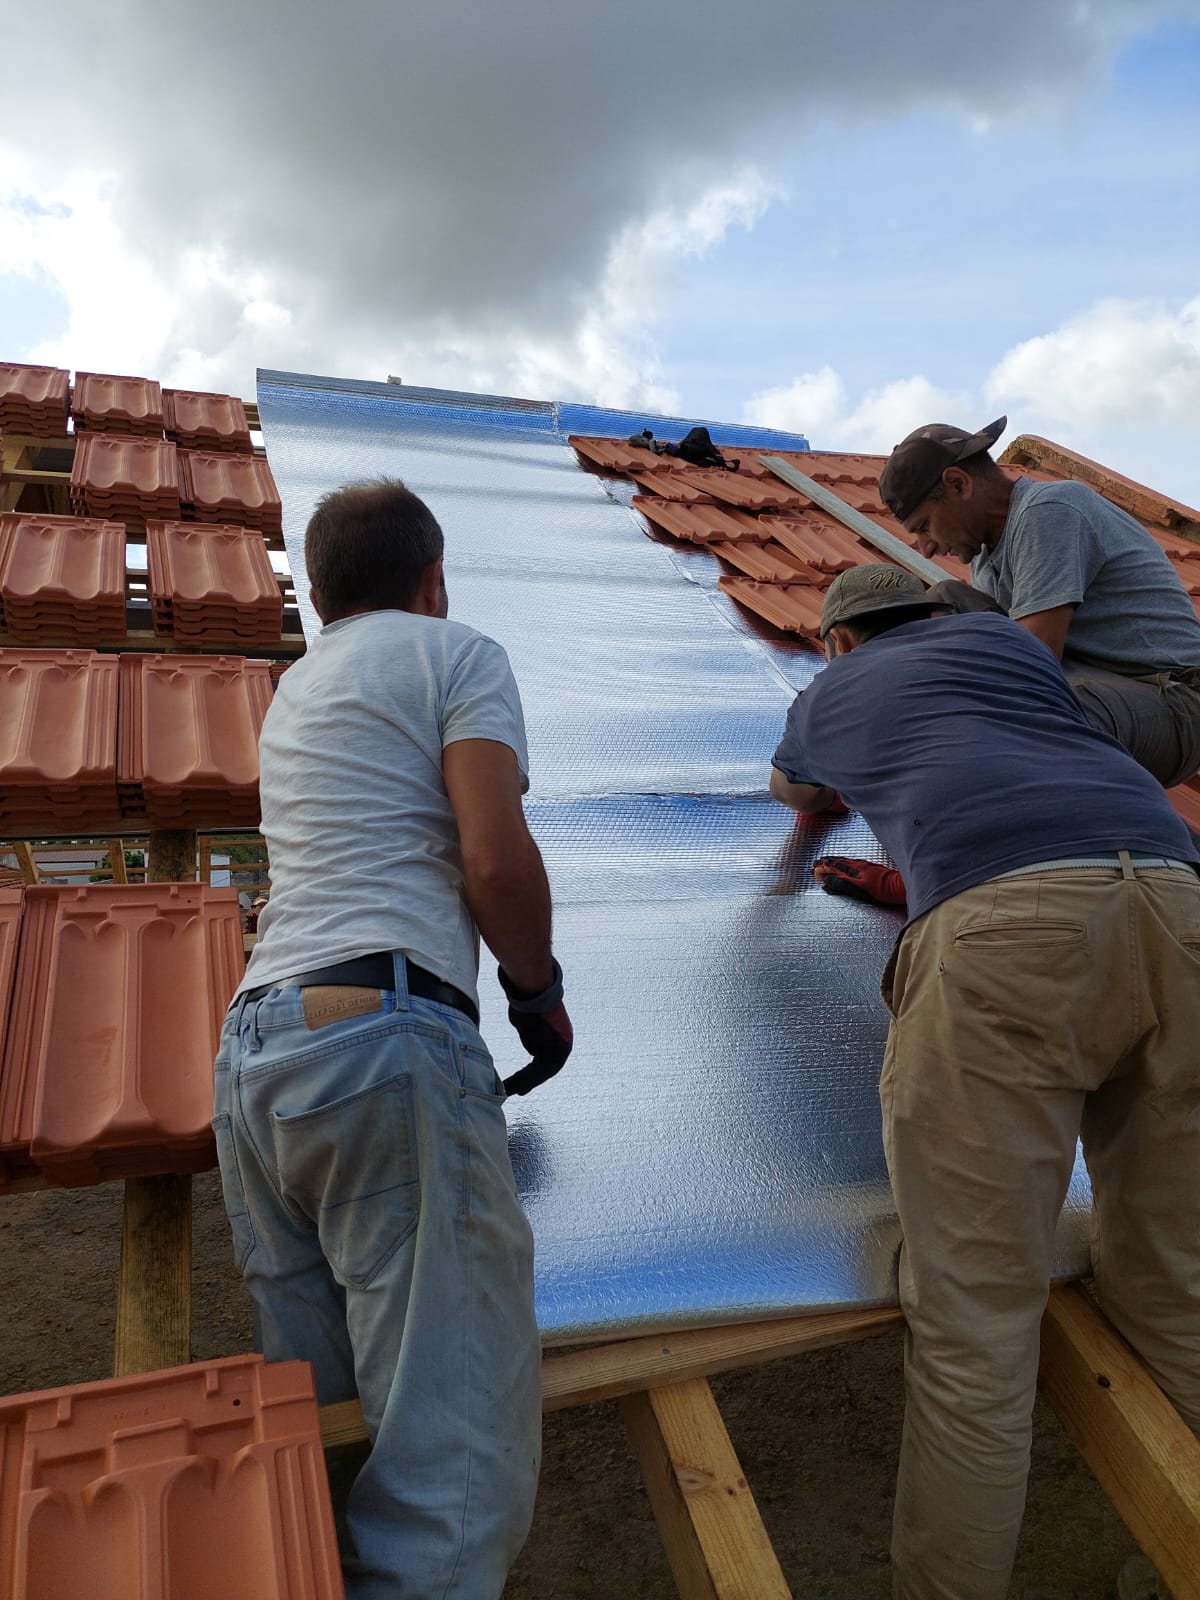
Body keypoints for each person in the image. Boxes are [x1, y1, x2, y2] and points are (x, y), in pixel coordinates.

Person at [770, 563, 1200, 1600]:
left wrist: (815, 817)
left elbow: (797, 790)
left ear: (837, 641)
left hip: (1010, 928)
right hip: (1181, 901)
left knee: (979, 1321)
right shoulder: (1015, 649)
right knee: (1178, 1281)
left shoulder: (827, 693)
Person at [212, 479, 572, 1600]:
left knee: (314, 1421)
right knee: (449, 1470)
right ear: (435, 579)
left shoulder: (294, 691)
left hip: (256, 1056)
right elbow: (496, 860)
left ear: (315, 599)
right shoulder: (455, 653)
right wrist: (535, 991)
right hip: (383, 1037)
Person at [878, 415, 1200, 788]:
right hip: (1096, 686)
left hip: (1175, 701)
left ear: (957, 484)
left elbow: (1031, 663)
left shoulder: (1051, 510)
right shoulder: (985, 559)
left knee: (1019, 713)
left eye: (923, 527)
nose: (926, 548)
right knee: (943, 602)